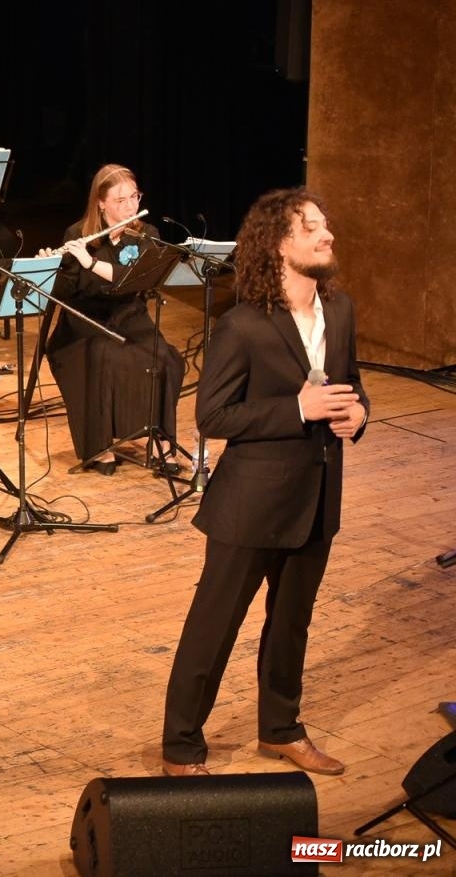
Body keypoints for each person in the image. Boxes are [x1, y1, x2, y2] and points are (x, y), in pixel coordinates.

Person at [161, 189, 366, 778]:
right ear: (280, 244)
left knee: (292, 623)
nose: (327, 236)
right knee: (215, 625)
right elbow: (213, 417)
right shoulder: (244, 326)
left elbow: (350, 384)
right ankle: (181, 746)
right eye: (312, 229)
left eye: (325, 226)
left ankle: (280, 729)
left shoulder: (342, 310)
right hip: (250, 504)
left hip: (318, 494)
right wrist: (296, 409)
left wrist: (360, 413)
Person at [46, 165, 186, 473]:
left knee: (166, 359)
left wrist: (90, 263)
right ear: (101, 203)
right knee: (103, 355)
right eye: (120, 199)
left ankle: (160, 441)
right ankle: (100, 447)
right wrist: (51, 266)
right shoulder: (78, 234)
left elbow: (131, 280)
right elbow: (64, 291)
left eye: (134, 197)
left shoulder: (147, 235)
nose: (130, 205)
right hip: (85, 320)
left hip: (128, 315)